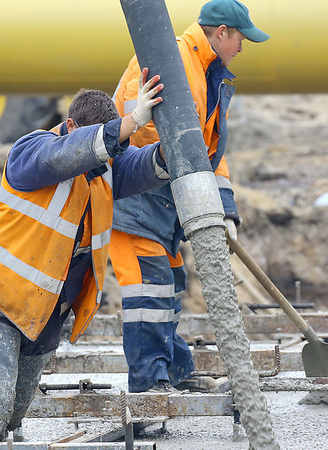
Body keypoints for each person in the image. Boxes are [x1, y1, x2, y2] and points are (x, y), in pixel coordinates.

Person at [0, 68, 168, 441]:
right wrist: (131, 120)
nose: (105, 155)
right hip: (1, 295)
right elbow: (64, 156)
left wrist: (171, 152)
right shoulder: (32, 150)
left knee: (13, 413)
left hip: (47, 306)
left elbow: (138, 165)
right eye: (103, 142)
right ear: (71, 125)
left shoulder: (101, 170)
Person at [110, 0, 270, 393]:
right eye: (240, 39)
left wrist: (225, 210)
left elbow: (209, 152)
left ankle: (175, 374)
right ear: (221, 33)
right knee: (150, 293)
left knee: (170, 287)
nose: (242, 49)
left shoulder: (206, 73)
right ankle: (149, 388)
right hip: (134, 203)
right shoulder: (171, 60)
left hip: (163, 208)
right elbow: (142, 136)